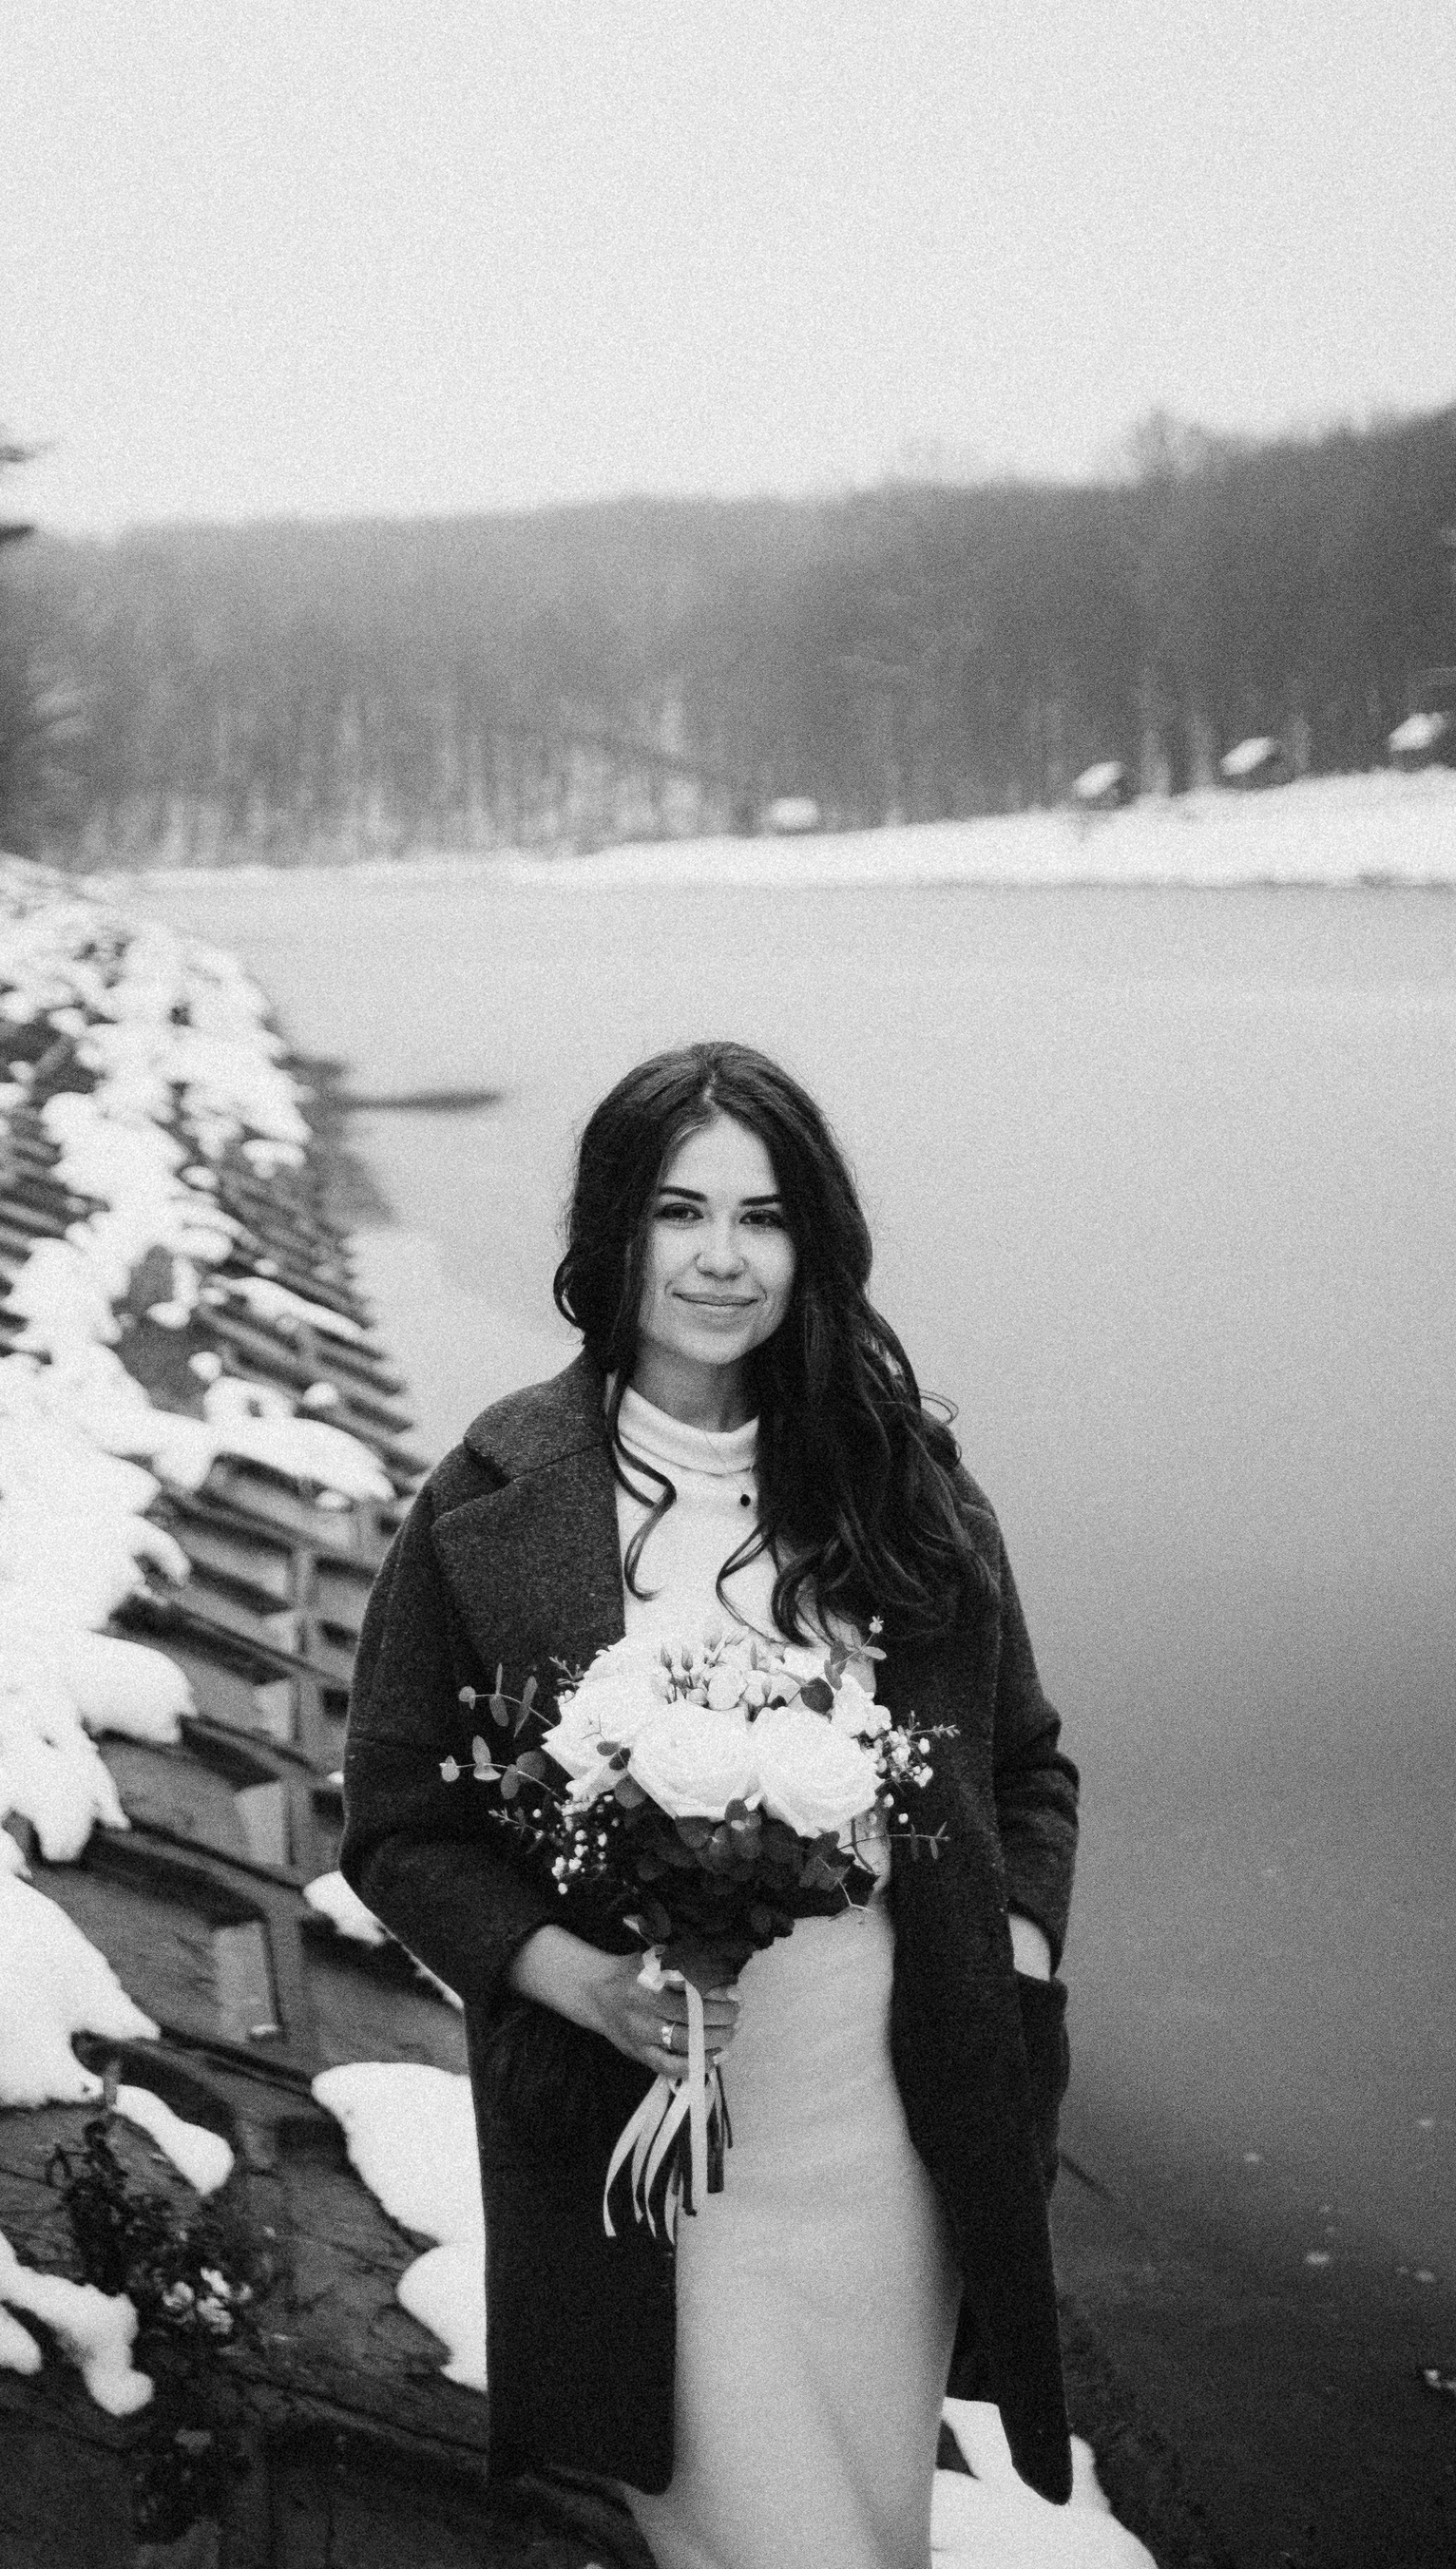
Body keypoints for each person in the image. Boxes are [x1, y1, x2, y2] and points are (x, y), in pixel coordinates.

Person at [339, 1042, 1080, 2569]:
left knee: (873, 2535)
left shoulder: (903, 1480)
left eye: (765, 1218)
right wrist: (578, 1981)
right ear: (615, 1235)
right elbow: (400, 1821)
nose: (723, 1260)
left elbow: (1025, 1767)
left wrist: (1010, 1963)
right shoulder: (494, 1493)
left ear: (814, 1248)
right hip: (644, 2161)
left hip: (885, 2140)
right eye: (682, 1214)